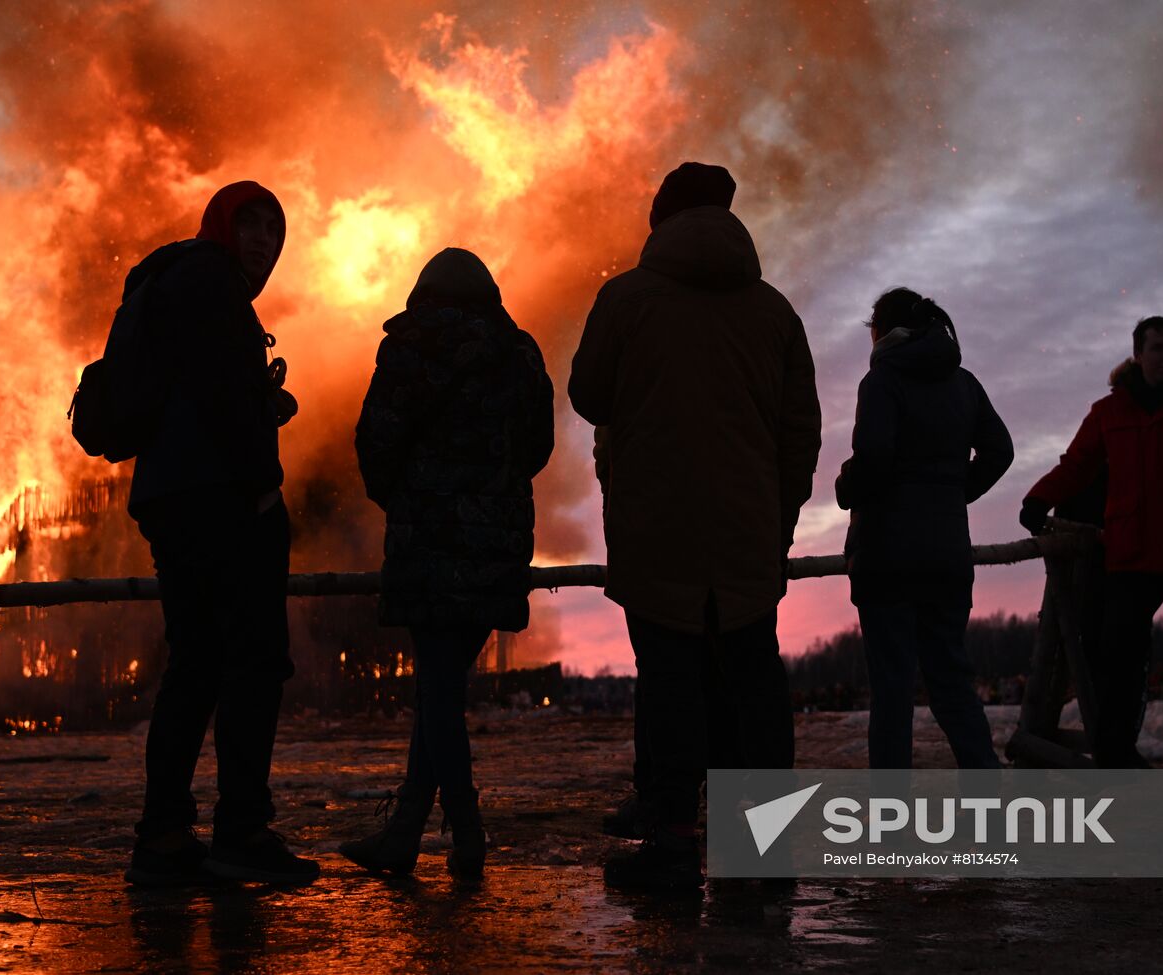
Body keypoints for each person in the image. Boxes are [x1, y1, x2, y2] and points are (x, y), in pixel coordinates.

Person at [569, 162, 822, 890]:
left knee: (670, 682)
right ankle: (765, 847)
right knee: (754, 684)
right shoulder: (775, 312)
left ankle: (674, 842)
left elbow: (588, 395)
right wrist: (774, 521)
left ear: (660, 220)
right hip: (747, 533)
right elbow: (799, 432)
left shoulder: (626, 297)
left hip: (657, 530)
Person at [124, 181, 316, 886]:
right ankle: (241, 829)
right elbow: (221, 399)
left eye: (274, 229)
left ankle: (166, 836)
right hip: (221, 501)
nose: (264, 240)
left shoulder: (179, 281)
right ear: (221, 227)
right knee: (254, 662)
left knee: (196, 663)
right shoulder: (211, 285)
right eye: (251, 224)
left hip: (173, 495)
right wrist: (263, 488)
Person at [343, 247, 554, 878]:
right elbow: (537, 448)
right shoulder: (519, 354)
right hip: (497, 546)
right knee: (442, 686)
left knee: (436, 688)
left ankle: (465, 831)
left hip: (427, 541)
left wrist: (409, 499)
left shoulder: (409, 346)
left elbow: (375, 442)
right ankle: (407, 831)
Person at [1020, 316, 1163, 768]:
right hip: (1131, 557)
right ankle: (1115, 751)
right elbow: (1078, 464)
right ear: (1138, 354)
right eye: (1159, 348)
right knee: (1117, 659)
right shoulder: (1109, 412)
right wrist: (1039, 497)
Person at [834, 289, 1012, 769]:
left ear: (881, 330)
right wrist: (953, 496)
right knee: (952, 680)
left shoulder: (882, 380)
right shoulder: (964, 382)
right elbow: (1000, 452)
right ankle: (987, 798)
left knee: (891, 691)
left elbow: (873, 459)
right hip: (947, 554)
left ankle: (891, 817)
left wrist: (845, 488)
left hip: (887, 556)